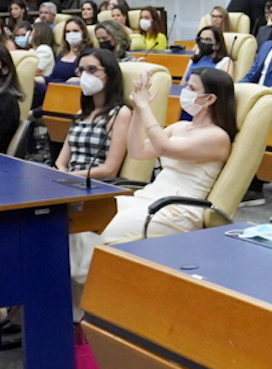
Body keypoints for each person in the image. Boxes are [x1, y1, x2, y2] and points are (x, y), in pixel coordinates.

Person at [74, 68, 238, 284]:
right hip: (146, 198)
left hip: (175, 210)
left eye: (191, 88)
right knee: (80, 221)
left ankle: (86, 294)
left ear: (209, 99)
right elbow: (137, 151)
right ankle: (71, 297)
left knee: (101, 230)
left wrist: (144, 106)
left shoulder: (218, 137)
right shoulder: (180, 127)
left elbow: (165, 147)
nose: (185, 92)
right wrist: (139, 112)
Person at [55, 47, 134, 182]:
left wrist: (69, 177)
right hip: (68, 181)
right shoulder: (81, 113)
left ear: (109, 73)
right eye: (81, 70)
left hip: (93, 185)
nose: (85, 75)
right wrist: (61, 176)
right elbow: (60, 162)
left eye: (92, 69)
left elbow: (110, 170)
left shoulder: (120, 114)